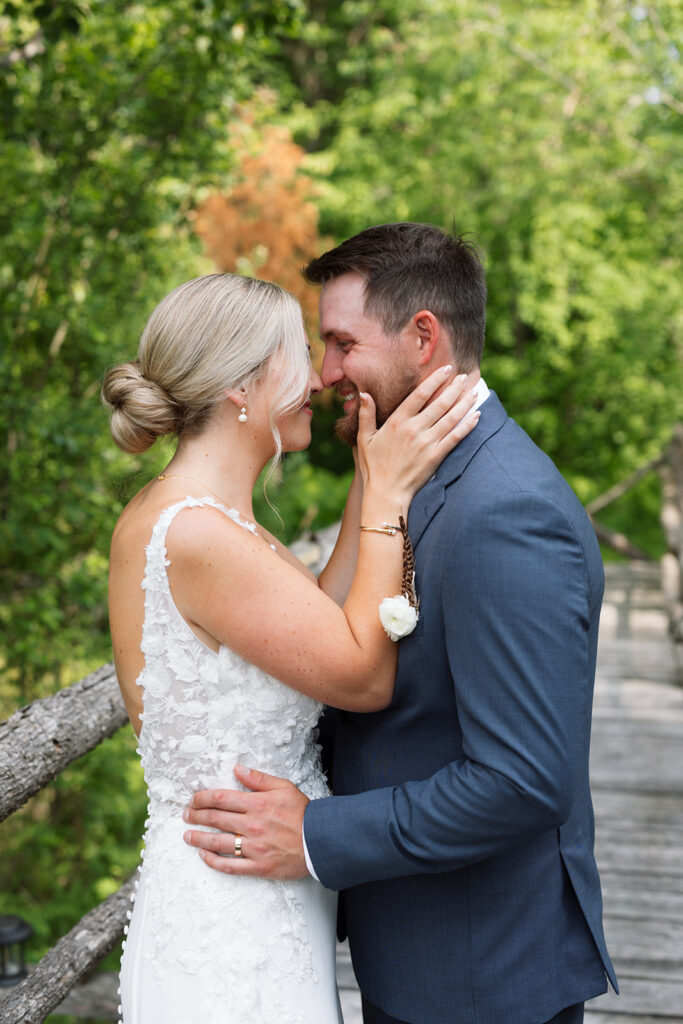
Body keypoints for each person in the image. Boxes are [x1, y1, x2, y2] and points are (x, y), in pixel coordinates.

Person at [183, 224, 618, 1024]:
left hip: (480, 974)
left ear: (423, 336)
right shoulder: (410, 470)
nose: (327, 373)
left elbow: (522, 779)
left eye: (343, 344)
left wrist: (316, 833)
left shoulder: (504, 511)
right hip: (416, 947)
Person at [102, 270, 478, 1023]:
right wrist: (392, 499)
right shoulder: (198, 534)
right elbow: (362, 675)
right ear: (243, 384)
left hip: (261, 894)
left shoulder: (206, 517)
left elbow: (323, 611)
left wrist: (371, 476)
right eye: (300, 357)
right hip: (230, 925)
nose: (318, 379)